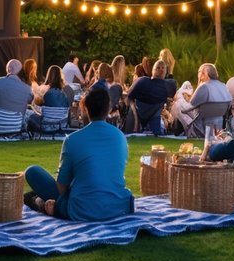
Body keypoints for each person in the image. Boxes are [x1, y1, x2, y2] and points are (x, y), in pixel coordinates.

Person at [23, 86, 134, 221]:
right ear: (109, 109)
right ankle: (41, 200)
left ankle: (43, 203)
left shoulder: (73, 140)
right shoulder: (120, 137)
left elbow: (62, 187)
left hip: (82, 210)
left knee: (32, 172)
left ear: (85, 108)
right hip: (118, 207)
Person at [0, 58, 34, 136]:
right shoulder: (28, 89)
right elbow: (31, 102)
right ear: (20, 71)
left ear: (8, 69)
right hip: (16, 129)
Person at [175, 63, 233, 135]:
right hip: (218, 128)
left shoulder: (204, 87)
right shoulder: (223, 86)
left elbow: (186, 109)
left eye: (199, 72)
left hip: (200, 130)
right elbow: (229, 104)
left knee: (178, 104)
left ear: (203, 74)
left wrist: (180, 98)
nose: (198, 75)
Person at [124, 60, 171, 136]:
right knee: (130, 136)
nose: (161, 70)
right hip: (137, 113)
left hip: (154, 115)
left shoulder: (168, 85)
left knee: (158, 136)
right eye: (158, 68)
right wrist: (135, 115)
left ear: (166, 71)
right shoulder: (142, 81)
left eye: (163, 68)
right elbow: (128, 97)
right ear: (153, 71)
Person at [27, 65, 69, 133]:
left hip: (47, 125)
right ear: (60, 76)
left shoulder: (42, 88)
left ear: (48, 75)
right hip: (62, 125)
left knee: (29, 114)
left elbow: (35, 106)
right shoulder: (67, 90)